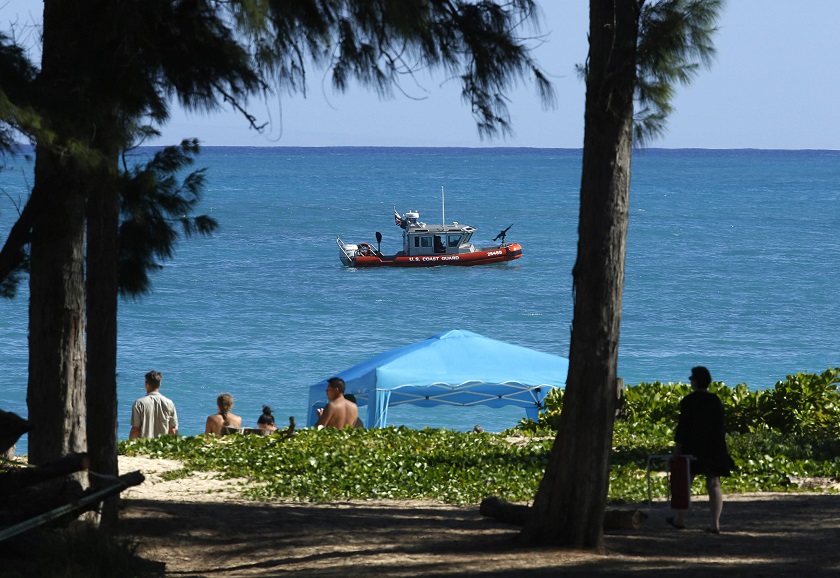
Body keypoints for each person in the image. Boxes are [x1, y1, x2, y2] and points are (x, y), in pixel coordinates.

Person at [667, 366, 735, 534]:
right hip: (714, 446)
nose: (690, 381)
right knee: (714, 484)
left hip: (693, 446)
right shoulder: (715, 400)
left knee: (685, 482)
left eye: (691, 379)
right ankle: (715, 524)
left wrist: (677, 449)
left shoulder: (688, 401)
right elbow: (719, 426)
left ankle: (680, 519)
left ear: (695, 381)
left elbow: (683, 428)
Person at [129, 370, 178, 440]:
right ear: (160, 384)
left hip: (144, 447)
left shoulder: (139, 403)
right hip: (163, 447)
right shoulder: (169, 403)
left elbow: (135, 429)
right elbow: (173, 430)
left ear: (146, 384)